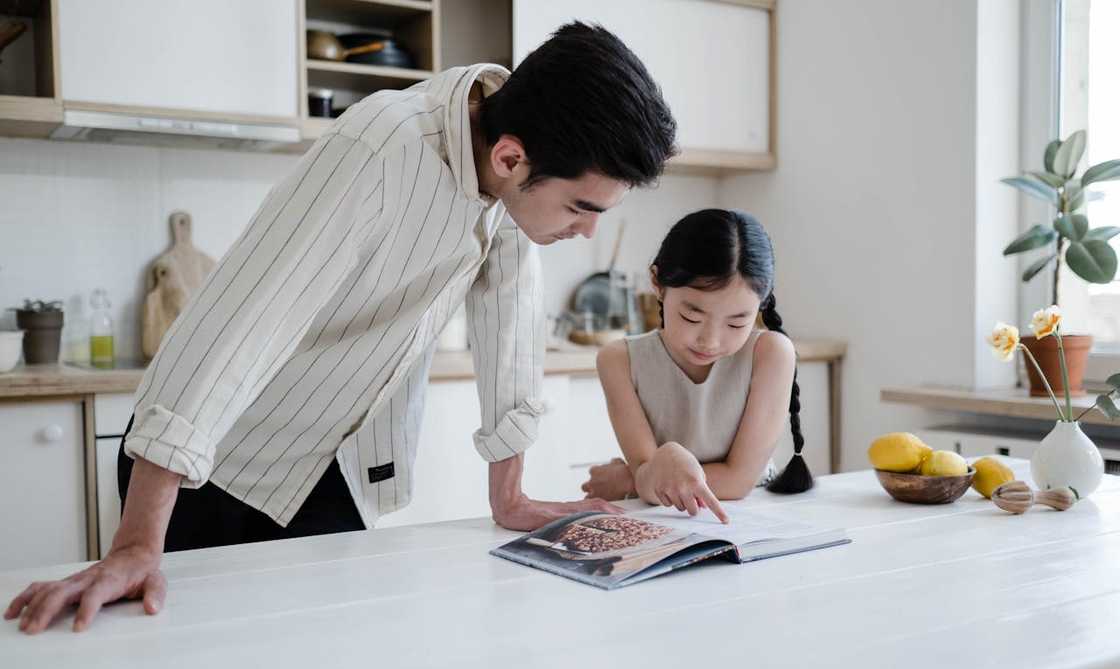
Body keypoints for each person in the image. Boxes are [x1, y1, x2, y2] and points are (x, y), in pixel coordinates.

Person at [5, 22, 677, 635]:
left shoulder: (513, 165)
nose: (587, 231)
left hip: (338, 474)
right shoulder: (380, 149)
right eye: (581, 208)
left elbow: (510, 323)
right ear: (509, 159)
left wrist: (510, 495)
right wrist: (134, 546)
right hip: (216, 475)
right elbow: (239, 322)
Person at [582, 209, 813, 520]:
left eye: (736, 323)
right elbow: (648, 477)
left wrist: (630, 480)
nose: (710, 341)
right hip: (667, 520)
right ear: (657, 283)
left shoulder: (771, 353)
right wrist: (645, 477)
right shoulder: (619, 360)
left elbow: (738, 481)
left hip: (754, 515)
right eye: (691, 316)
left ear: (761, 304)